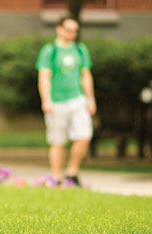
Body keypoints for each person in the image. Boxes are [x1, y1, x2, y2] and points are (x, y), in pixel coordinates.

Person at [36, 16, 97, 187]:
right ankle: (57, 177)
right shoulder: (50, 51)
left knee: (84, 136)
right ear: (59, 29)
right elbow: (44, 77)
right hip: (56, 101)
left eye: (75, 31)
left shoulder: (80, 49)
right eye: (69, 30)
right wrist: (46, 100)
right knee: (58, 141)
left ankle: (72, 172)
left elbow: (85, 75)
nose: (72, 34)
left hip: (77, 99)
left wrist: (90, 98)